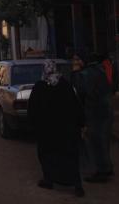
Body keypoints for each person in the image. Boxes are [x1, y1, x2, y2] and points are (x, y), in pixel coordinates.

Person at [28, 60, 85, 198]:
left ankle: (49, 180)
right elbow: (75, 105)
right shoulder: (65, 85)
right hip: (67, 130)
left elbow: (33, 109)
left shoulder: (40, 87)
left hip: (47, 131)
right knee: (70, 157)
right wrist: (81, 123)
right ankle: (77, 185)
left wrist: (33, 126)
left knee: (47, 155)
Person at [73, 53, 114, 183]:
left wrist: (75, 73)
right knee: (103, 140)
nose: (75, 62)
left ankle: (101, 172)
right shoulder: (99, 70)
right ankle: (106, 167)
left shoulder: (87, 74)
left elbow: (81, 89)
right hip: (105, 110)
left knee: (95, 142)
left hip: (96, 111)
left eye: (77, 59)